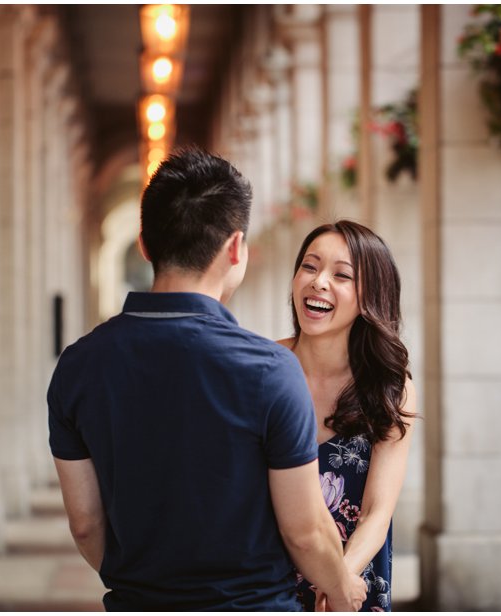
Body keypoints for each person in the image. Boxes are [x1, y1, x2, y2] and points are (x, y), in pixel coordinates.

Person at [47, 149, 366, 611]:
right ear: (235, 248)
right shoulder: (272, 371)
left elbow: (86, 526)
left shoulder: (78, 365)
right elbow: (305, 531)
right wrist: (343, 589)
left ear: (144, 244)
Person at [280, 220, 416, 612]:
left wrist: (338, 580)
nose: (319, 282)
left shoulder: (390, 386)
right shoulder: (262, 367)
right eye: (309, 266)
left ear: (370, 296)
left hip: (351, 586)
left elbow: (378, 510)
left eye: (341, 275)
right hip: (265, 584)